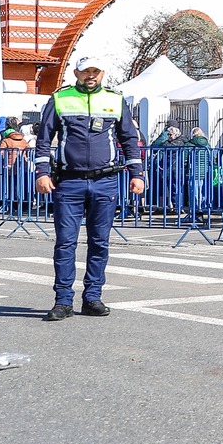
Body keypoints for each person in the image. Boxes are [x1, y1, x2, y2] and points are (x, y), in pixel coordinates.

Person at [31, 56, 146, 320]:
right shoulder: (60, 98)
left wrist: (137, 174)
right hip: (69, 182)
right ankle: (63, 301)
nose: (90, 75)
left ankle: (93, 297)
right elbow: (44, 139)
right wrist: (42, 173)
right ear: (76, 73)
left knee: (99, 242)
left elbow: (129, 139)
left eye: (95, 71)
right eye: (85, 71)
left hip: (105, 182)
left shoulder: (115, 99)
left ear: (102, 73)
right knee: (65, 243)